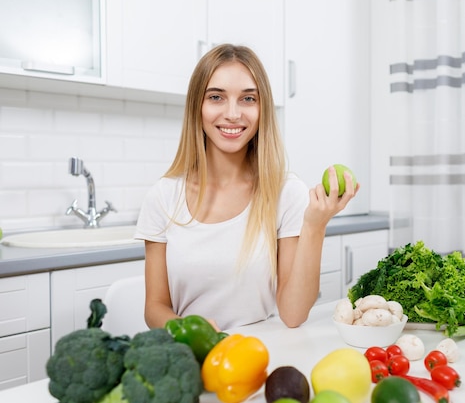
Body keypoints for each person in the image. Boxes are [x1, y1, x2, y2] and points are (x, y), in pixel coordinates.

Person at [135, 44, 358, 331]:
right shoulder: (163, 196)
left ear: (261, 107)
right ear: (197, 107)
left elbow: (293, 314)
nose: (232, 113)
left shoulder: (285, 192)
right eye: (216, 97)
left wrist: (315, 225)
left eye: (248, 99)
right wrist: (191, 333)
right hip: (190, 355)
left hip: (258, 353)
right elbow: (155, 307)